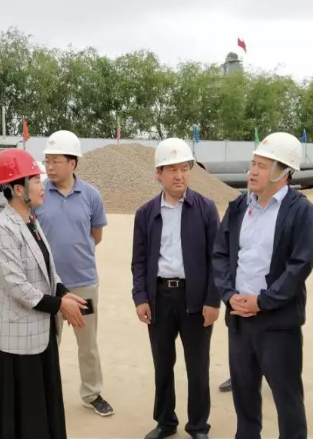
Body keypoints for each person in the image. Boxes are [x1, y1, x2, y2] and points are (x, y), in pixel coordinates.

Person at [213, 132, 313, 439]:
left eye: (262, 165)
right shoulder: (238, 207)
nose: (252, 171)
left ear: (283, 171)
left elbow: (300, 265)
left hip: (278, 323)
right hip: (239, 320)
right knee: (244, 396)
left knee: (287, 397)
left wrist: (263, 301)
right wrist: (229, 295)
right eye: (253, 164)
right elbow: (220, 254)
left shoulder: (300, 211)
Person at [0, 148, 88, 439]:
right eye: (35, 180)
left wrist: (64, 292)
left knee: (45, 403)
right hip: (19, 337)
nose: (42, 185)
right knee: (25, 410)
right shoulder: (4, 229)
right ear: (18, 190)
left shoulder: (30, 219)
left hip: (40, 332)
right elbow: (19, 287)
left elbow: (47, 269)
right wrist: (59, 305)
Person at [131, 138, 220, 439]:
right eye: (172, 169)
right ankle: (166, 421)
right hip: (159, 298)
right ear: (159, 174)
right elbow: (139, 261)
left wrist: (213, 300)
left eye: (184, 168)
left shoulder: (205, 209)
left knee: (198, 367)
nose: (179, 175)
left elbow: (217, 260)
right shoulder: (145, 213)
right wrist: (140, 297)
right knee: (162, 365)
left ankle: (198, 426)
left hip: (195, 299)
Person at [34, 130, 113, 416]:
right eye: (47, 161)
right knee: (46, 343)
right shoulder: (38, 193)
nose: (50, 166)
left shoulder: (91, 195)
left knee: (87, 344)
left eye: (56, 161)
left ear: (73, 163)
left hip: (83, 283)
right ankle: (44, 393)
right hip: (47, 285)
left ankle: (92, 393)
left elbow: (96, 235)